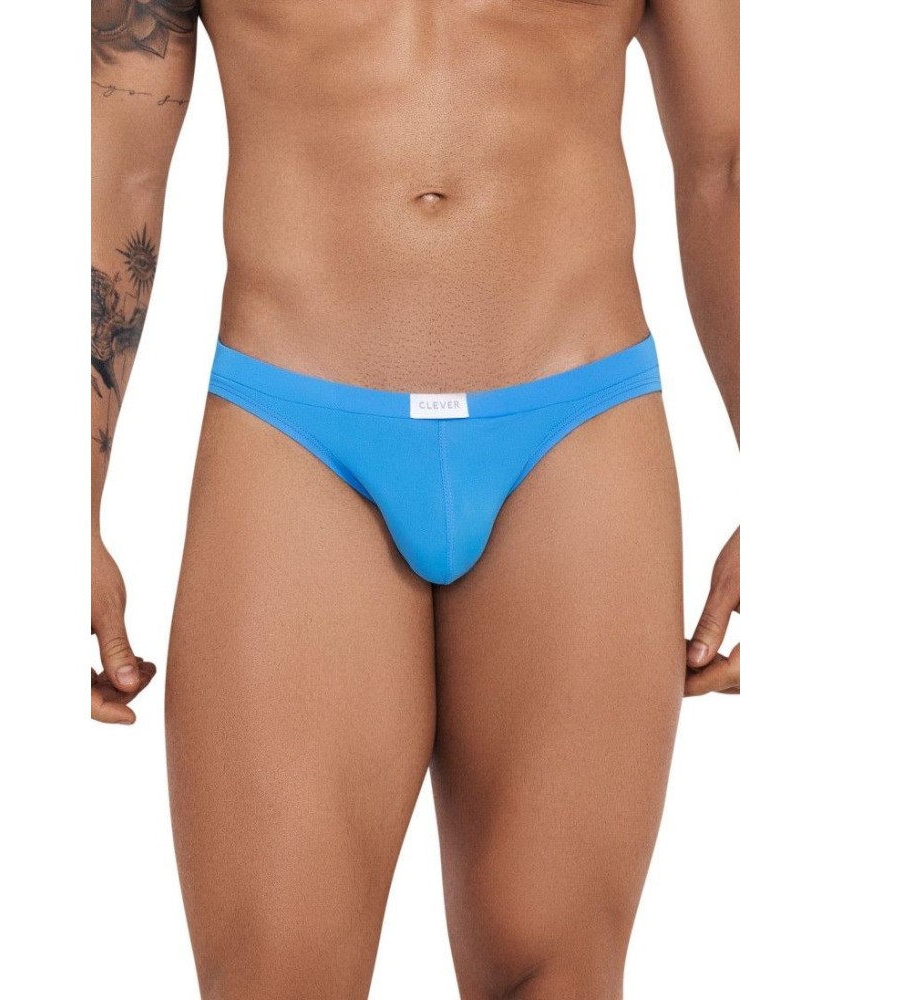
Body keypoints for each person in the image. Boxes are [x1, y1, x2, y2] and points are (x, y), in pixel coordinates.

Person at [91, 1, 739, 996]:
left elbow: (725, 163)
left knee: (559, 975)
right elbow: (118, 161)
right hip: (296, 419)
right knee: (275, 977)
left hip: (574, 417)